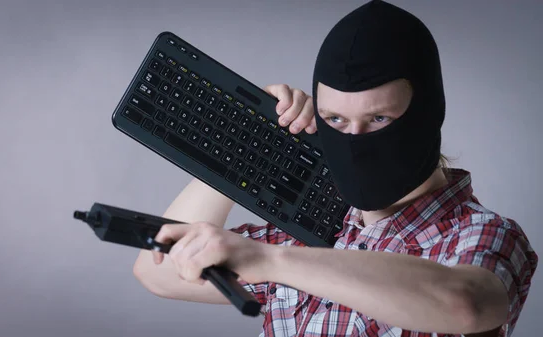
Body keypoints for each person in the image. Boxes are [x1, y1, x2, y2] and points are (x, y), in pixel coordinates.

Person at [133, 1, 538, 336]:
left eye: (379, 119)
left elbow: (466, 304)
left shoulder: (483, 235)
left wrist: (270, 261)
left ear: (427, 114)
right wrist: (251, 146)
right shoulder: (309, 231)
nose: (354, 140)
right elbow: (160, 272)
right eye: (336, 121)